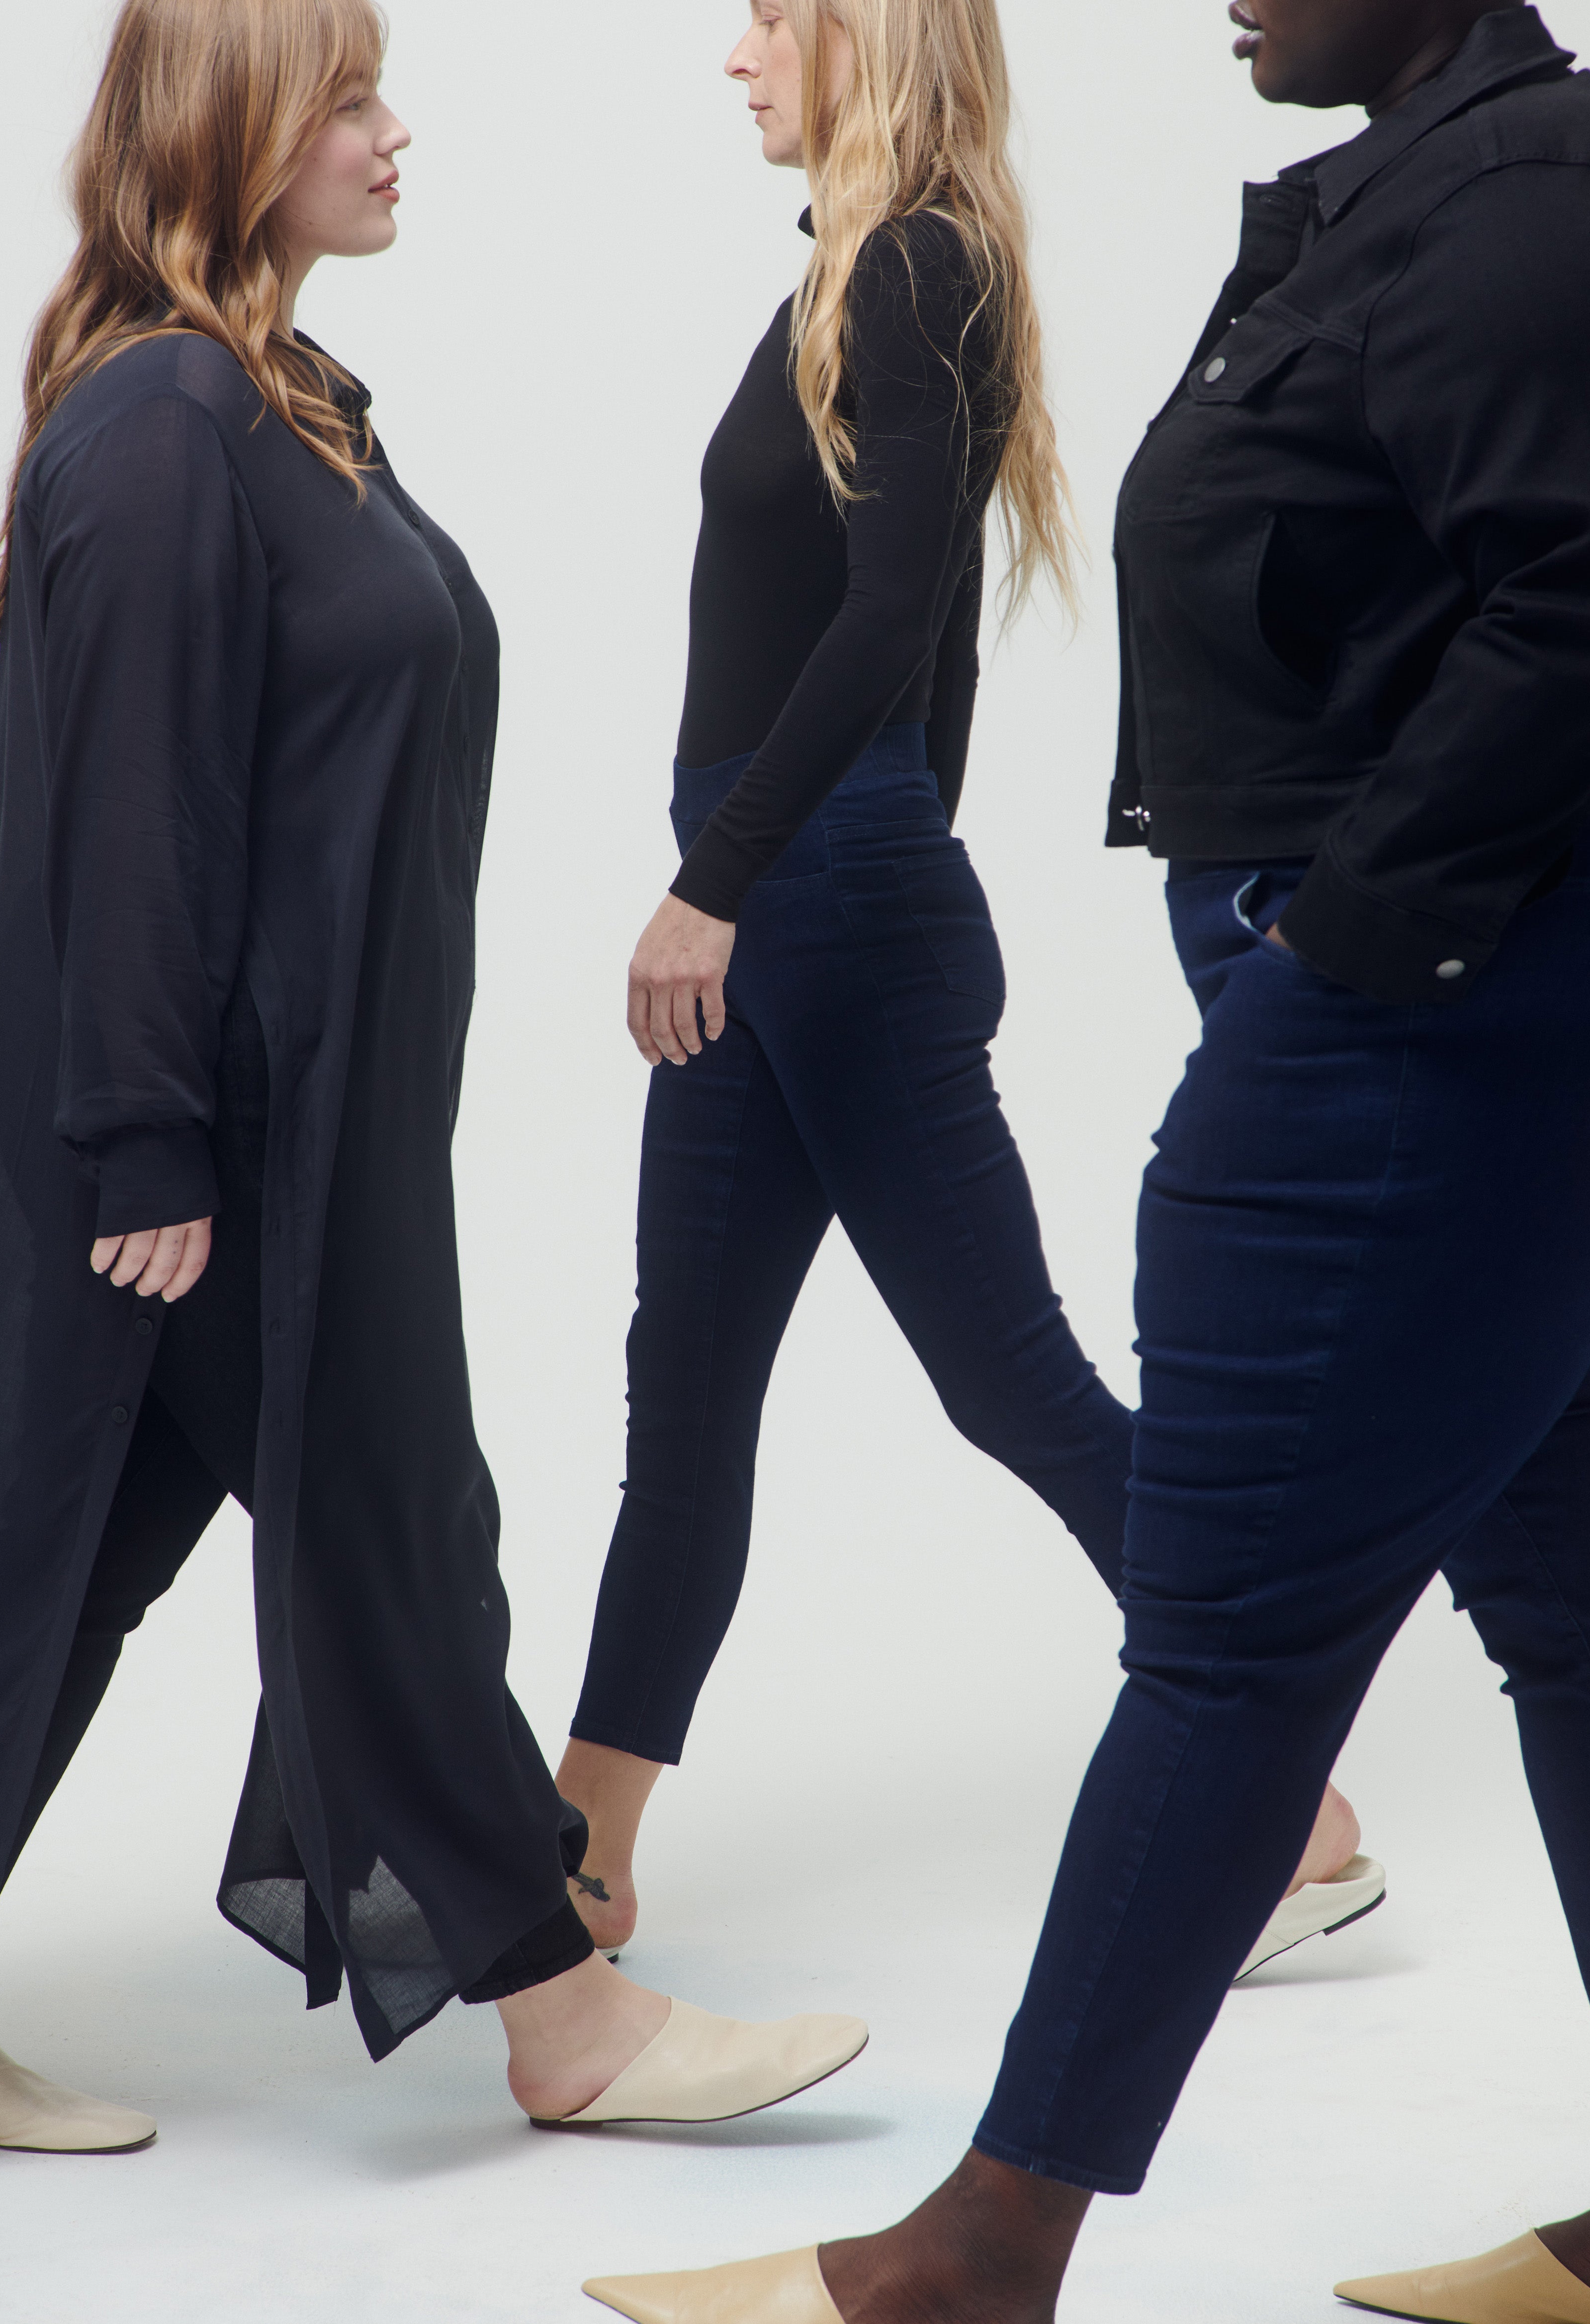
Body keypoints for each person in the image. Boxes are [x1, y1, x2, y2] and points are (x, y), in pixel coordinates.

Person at [582, 3, 1590, 2320]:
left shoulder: (1535, 205)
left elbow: (1587, 612)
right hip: (1451, 985)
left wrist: (1333, 948)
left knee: (1217, 1603)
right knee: (1582, 1589)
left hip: (1437, 1003)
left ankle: (973, 2256)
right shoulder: (1430, 185)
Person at [0, 0, 867, 2157]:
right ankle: (563, 2012)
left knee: (53, 1558)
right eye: (347, 97)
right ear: (236, 130)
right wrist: (148, 1137)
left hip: (269, 1113)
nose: (392, 132)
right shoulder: (167, 425)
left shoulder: (278, 401)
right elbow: (131, 813)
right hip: (188, 1134)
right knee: (389, 1525)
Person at [553, 0, 1379, 1992]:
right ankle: (579, 1865)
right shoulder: (860, 271)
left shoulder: (916, 261)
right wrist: (808, 867)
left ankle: (1290, 1804)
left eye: (774, 15)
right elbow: (922, 656)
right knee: (688, 1393)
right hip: (811, 891)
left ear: (867, 36)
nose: (740, 55)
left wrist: (731, 878)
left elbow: (889, 616)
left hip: (811, 897)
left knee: (1006, 1375)